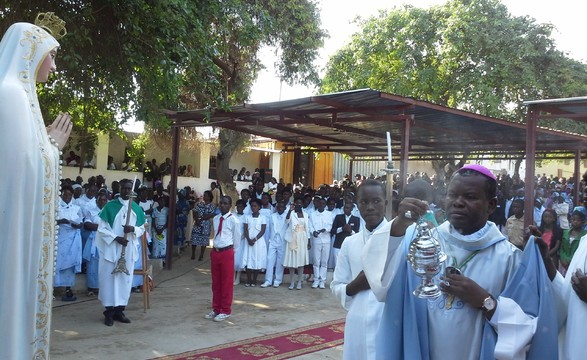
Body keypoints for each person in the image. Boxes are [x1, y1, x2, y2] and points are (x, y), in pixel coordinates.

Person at [362, 164, 559, 359]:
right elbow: (380, 280)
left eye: (470, 197)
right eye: (452, 195)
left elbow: (532, 326)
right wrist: (397, 226)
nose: (458, 202)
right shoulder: (422, 242)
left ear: (491, 205)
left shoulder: (509, 258)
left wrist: (485, 301)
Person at [0, 16, 73, 359]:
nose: (54, 66)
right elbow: (18, 172)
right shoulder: (12, 94)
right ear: (32, 51)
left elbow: (24, 158)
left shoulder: (21, 96)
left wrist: (43, 142)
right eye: (52, 55)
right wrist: (54, 146)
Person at [331, 179, 387, 360]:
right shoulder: (350, 243)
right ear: (357, 205)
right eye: (364, 202)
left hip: (388, 321)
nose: (370, 207)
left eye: (376, 201)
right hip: (358, 320)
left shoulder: (399, 238)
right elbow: (337, 284)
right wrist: (355, 285)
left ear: (385, 203)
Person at [95, 179, 146, 326]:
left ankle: (120, 310)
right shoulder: (110, 207)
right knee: (109, 280)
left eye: (129, 189)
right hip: (111, 250)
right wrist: (116, 238)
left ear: (132, 190)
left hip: (127, 250)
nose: (126, 191)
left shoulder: (136, 208)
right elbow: (101, 229)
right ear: (119, 189)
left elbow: (142, 228)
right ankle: (109, 312)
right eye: (124, 188)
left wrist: (133, 230)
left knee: (124, 281)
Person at [205, 196, 241, 322]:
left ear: (230, 205)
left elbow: (237, 239)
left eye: (225, 203)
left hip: (227, 252)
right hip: (216, 251)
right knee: (216, 283)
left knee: (226, 283)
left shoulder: (234, 220)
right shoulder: (216, 219)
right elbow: (215, 234)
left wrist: (231, 250)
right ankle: (216, 308)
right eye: (221, 203)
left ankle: (225, 310)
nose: (222, 206)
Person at [55, 185, 83, 301]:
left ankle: (68, 289)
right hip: (60, 239)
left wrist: (77, 225)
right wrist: (61, 221)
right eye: (65, 194)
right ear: (61, 194)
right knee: (57, 263)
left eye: (69, 195)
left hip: (72, 240)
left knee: (70, 265)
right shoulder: (56, 207)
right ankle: (53, 288)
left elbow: (81, 222)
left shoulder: (76, 208)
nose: (67, 197)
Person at [83, 192, 109, 296]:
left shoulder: (109, 212)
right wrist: (101, 228)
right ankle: (91, 288)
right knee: (92, 265)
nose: (102, 202)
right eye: (100, 200)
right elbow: (87, 225)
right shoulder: (91, 211)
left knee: (104, 265)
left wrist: (98, 228)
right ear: (96, 201)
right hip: (94, 241)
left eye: (104, 200)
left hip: (106, 241)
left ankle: (102, 288)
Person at [283, 197, 311, 290]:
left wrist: (309, 240)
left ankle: (299, 282)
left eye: (300, 203)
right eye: (297, 203)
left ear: (302, 205)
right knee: (292, 261)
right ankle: (292, 282)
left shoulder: (306, 214)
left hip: (302, 239)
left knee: (300, 261)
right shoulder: (292, 213)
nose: (298, 205)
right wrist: (290, 211)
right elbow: (286, 221)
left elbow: (308, 228)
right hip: (292, 238)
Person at [309, 195, 334, 289]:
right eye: (320, 203)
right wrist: (313, 232)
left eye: (323, 203)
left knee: (324, 261)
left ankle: (322, 281)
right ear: (317, 204)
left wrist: (325, 229)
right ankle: (316, 280)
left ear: (325, 205)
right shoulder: (312, 214)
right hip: (316, 240)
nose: (321, 205)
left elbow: (330, 226)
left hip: (326, 239)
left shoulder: (329, 214)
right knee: (316, 261)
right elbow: (310, 226)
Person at [261, 201, 288, 288]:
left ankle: (278, 280)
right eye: (278, 207)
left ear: (284, 208)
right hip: (272, 241)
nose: (280, 208)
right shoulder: (272, 216)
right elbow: (268, 229)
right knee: (269, 260)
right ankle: (268, 280)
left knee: (280, 261)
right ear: (276, 208)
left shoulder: (287, 216)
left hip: (282, 241)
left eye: (282, 207)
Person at [242, 198, 268, 287]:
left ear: (259, 207)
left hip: (258, 242)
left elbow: (262, 230)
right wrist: (249, 239)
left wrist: (255, 239)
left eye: (255, 206)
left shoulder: (263, 218)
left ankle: (254, 280)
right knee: (248, 258)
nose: (253, 208)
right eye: (252, 206)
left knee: (257, 259)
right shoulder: (247, 217)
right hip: (248, 241)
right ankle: (248, 279)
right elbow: (245, 229)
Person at [330, 202, 361, 269]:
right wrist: (342, 229)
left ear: (352, 209)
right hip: (338, 244)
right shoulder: (338, 217)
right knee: (337, 265)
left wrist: (351, 231)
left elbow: (357, 234)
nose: (345, 209)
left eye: (347, 208)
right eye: (344, 208)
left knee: (349, 265)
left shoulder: (356, 219)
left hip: (350, 245)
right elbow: (333, 231)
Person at [191, 190, 217, 261]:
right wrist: (196, 219)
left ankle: (201, 255)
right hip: (197, 223)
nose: (204, 196)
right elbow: (195, 211)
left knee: (204, 240)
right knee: (194, 238)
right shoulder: (199, 204)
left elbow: (210, 215)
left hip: (205, 224)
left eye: (205, 195)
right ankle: (193, 253)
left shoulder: (212, 205)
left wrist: (200, 219)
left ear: (209, 197)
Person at [559, 210, 587, 275]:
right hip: (563, 263)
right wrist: (563, 259)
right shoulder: (565, 232)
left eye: (578, 220)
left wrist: (570, 260)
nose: (575, 222)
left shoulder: (585, 236)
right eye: (573, 219)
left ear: (583, 222)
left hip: (576, 263)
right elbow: (561, 248)